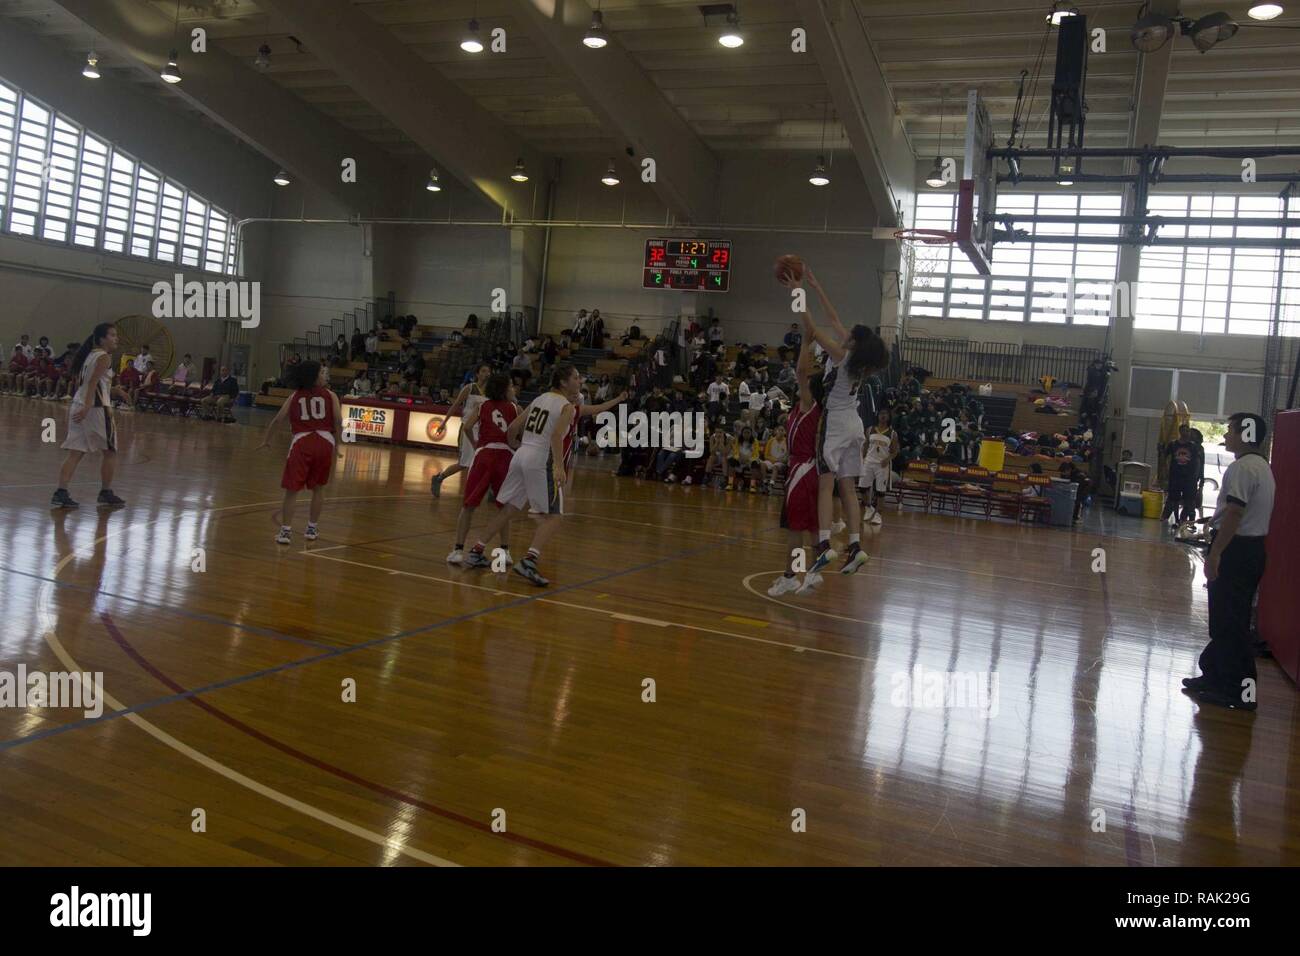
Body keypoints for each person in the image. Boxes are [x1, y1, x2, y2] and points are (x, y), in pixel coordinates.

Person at [787, 262, 888, 576]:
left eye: (849, 335)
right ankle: (856, 547)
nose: (843, 333)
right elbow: (832, 317)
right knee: (848, 487)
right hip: (855, 424)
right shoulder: (858, 359)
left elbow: (812, 328)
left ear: (853, 343)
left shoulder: (842, 357)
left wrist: (797, 292)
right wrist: (817, 287)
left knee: (825, 485)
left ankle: (823, 545)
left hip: (835, 423)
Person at [1182, 413, 1275, 712]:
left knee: (1232, 622)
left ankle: (1239, 691)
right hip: (1249, 549)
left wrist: (1217, 552)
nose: (1226, 435)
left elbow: (1235, 513)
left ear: (1244, 434)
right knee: (1226, 618)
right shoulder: (1261, 467)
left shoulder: (1243, 468)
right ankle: (1215, 675)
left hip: (1237, 550)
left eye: (1230, 430)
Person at [462, 364, 581, 586]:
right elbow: (556, 435)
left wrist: (518, 446)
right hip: (541, 458)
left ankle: (477, 550)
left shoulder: (539, 399)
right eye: (576, 377)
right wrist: (558, 466)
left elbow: (513, 428)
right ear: (564, 382)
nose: (579, 381)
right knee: (554, 516)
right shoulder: (567, 407)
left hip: (522, 454)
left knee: (509, 508)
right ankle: (529, 560)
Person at [259, 361, 342, 546]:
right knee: (319, 489)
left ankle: (286, 532)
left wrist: (266, 440)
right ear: (313, 376)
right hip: (325, 443)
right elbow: (338, 420)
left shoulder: (295, 396)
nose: (325, 375)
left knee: (292, 491)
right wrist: (338, 444)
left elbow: (278, 419)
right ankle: (312, 528)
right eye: (322, 373)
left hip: (302, 443)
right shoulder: (331, 395)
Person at [769, 330, 823, 596]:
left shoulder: (809, 406)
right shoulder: (800, 409)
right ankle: (811, 574)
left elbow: (801, 372)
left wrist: (806, 344)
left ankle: (791, 576)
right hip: (807, 469)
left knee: (795, 527)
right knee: (810, 526)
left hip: (801, 469)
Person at [447, 373, 519, 566]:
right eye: (511, 386)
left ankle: (457, 550)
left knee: (469, 505)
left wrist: (476, 444)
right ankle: (504, 551)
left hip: (484, 456)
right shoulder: (514, 408)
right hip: (504, 457)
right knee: (504, 507)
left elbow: (467, 427)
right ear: (504, 389)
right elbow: (516, 432)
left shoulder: (482, 406)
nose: (514, 389)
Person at [51, 323, 124, 509]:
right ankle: (105, 492)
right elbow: (92, 384)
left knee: (75, 452)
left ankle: (61, 492)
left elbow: (95, 383)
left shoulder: (89, 355)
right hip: (96, 408)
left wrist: (115, 390)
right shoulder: (104, 357)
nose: (116, 338)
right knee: (110, 451)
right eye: (113, 335)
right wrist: (88, 406)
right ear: (101, 338)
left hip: (78, 404)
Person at [431, 363, 491, 497]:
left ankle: (490, 489)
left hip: (482, 430)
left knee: (485, 460)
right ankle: (439, 477)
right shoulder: (469, 388)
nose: (486, 373)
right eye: (484, 371)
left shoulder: (491, 392)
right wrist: (443, 423)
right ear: (477, 374)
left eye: (488, 371)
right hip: (467, 428)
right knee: (464, 463)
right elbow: (455, 405)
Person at [860, 408, 899, 526]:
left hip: (882, 464)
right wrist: (862, 459)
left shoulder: (892, 433)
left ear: (889, 417)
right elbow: (865, 446)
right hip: (868, 462)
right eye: (881, 414)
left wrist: (888, 459)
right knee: (862, 487)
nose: (883, 416)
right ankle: (868, 508)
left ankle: (878, 515)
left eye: (885, 414)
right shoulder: (870, 429)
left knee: (880, 491)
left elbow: (895, 451)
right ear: (877, 416)